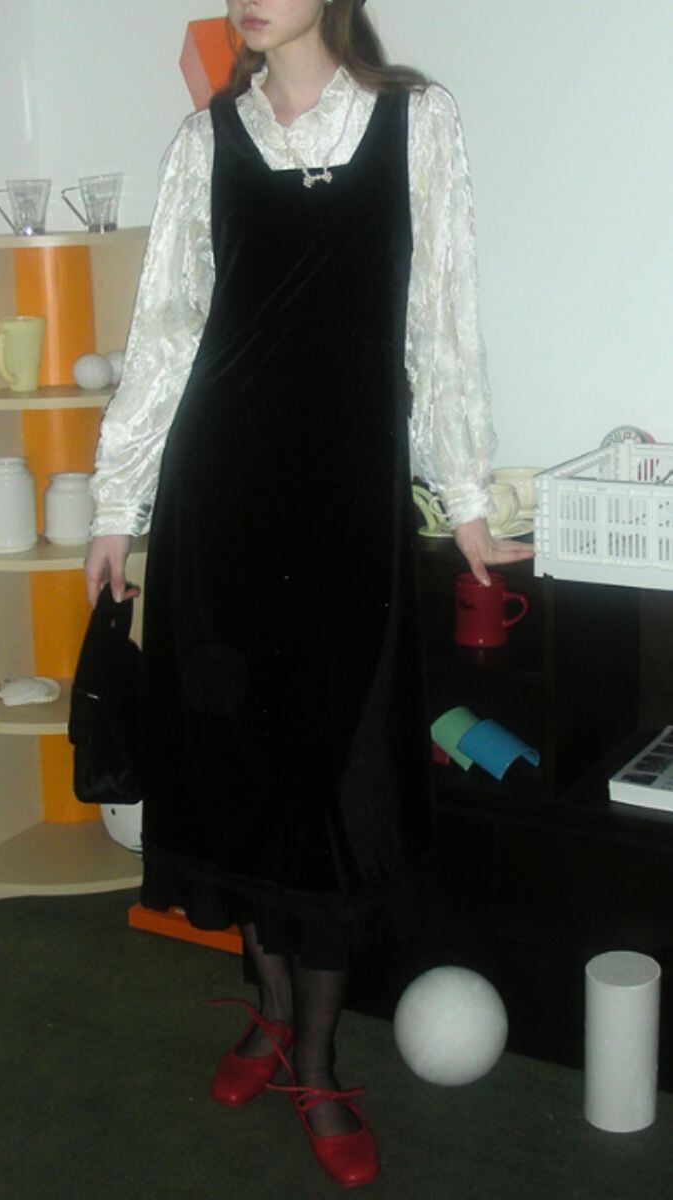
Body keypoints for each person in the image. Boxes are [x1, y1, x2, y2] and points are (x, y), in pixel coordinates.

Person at [84, 0, 532, 1187]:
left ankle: (321, 1062)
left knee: (338, 788)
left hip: (346, 516)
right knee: (237, 772)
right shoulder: (204, 142)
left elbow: (443, 319)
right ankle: (274, 1017)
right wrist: (117, 505)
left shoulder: (417, 121)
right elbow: (165, 332)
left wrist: (466, 497)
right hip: (220, 507)